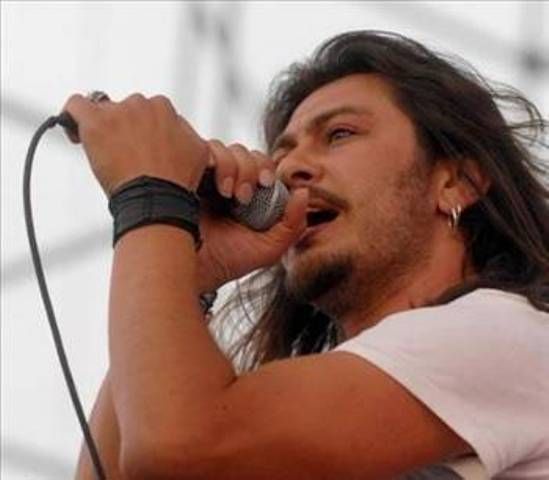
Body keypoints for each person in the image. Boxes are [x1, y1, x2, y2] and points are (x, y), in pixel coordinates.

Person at [67, 31, 549, 479]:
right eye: (282, 154)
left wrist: (152, 195)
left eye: (340, 134)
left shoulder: (503, 331)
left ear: (456, 182)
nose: (291, 167)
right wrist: (189, 273)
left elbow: (179, 444)